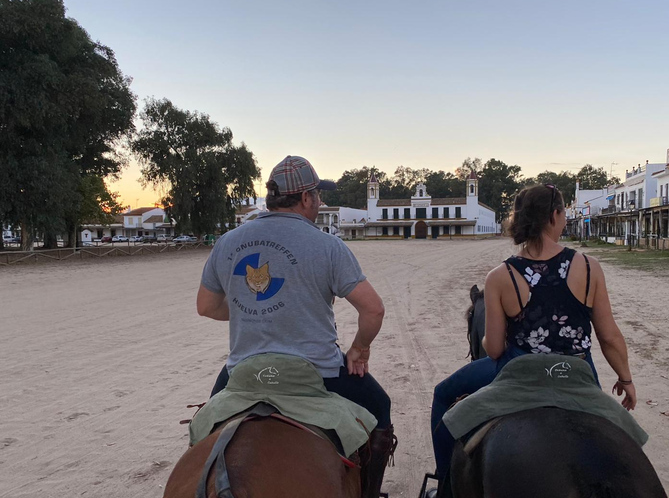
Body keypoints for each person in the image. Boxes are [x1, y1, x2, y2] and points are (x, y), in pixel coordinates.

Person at [197, 155, 396, 498]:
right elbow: (373, 310)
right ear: (305, 198)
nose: (320, 202)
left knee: (206, 430)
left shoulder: (228, 242)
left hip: (244, 371)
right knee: (380, 407)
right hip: (318, 371)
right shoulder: (328, 246)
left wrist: (253, 309)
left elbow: (207, 307)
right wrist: (359, 349)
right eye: (318, 195)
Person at [429, 183, 637, 495]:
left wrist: (488, 340)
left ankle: (443, 487)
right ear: (554, 216)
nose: (565, 218)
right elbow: (609, 337)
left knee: (443, 396)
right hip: (577, 373)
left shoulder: (501, 276)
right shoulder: (589, 268)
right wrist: (626, 378)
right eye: (564, 212)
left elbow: (495, 348)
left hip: (519, 372)